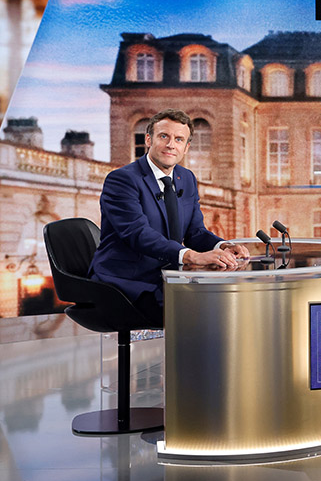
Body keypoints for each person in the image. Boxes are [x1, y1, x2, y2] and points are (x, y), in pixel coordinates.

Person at [89, 109, 249, 322]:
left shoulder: (187, 178)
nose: (171, 144)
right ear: (149, 139)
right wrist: (192, 256)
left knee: (232, 303)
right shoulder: (122, 180)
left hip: (169, 275)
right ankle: (188, 355)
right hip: (127, 278)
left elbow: (196, 232)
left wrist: (222, 246)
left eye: (179, 139)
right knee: (203, 314)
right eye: (164, 136)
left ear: (186, 147)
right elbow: (137, 233)